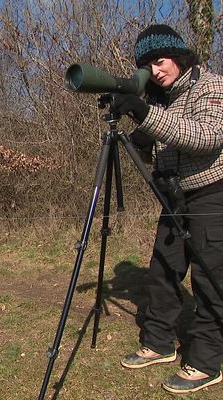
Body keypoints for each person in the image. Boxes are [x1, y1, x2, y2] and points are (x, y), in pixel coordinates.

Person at [110, 24, 223, 394]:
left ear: (179, 56)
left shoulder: (211, 86)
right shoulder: (162, 98)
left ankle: (207, 361)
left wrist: (146, 115)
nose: (156, 71)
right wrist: (142, 137)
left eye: (161, 61)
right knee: (163, 268)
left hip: (212, 192)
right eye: (149, 65)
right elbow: (162, 146)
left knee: (210, 276)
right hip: (174, 196)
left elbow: (206, 137)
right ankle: (158, 343)